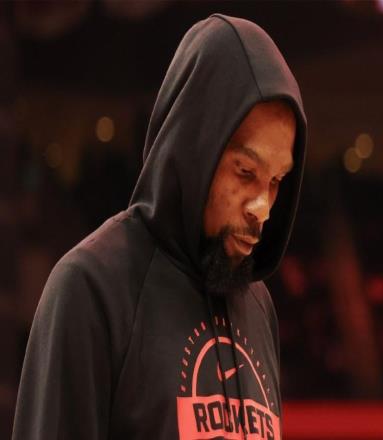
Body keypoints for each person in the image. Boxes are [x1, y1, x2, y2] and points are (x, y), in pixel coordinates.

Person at [12, 14, 306, 440]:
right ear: (194, 149)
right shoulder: (92, 287)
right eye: (245, 172)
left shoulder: (258, 305)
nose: (262, 207)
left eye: (276, 181)